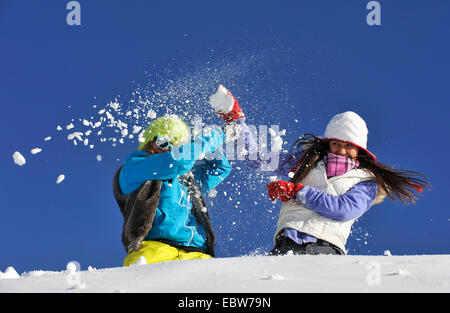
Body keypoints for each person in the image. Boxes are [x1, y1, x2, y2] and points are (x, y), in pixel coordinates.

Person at [237, 110, 430, 255]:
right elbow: (256, 158)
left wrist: (297, 192)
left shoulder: (365, 181)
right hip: (288, 239)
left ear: (359, 150)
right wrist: (237, 122)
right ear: (327, 143)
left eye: (349, 146)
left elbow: (344, 209)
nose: (341, 150)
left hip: (326, 247)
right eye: (336, 143)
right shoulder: (306, 162)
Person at [113, 113, 241, 266]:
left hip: (197, 252)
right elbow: (177, 161)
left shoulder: (186, 179)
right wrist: (215, 135)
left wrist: (201, 140)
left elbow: (220, 168)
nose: (169, 150)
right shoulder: (134, 167)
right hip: (154, 249)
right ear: (149, 143)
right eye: (162, 142)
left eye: (177, 146)